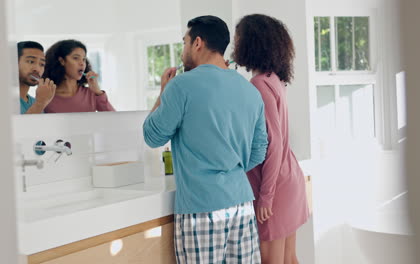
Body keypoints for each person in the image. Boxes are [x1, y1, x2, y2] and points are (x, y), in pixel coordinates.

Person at [143, 15, 268, 263]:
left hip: (201, 206)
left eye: (185, 43)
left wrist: (163, 95)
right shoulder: (249, 90)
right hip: (241, 203)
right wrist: (230, 169)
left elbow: (152, 136)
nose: (183, 51)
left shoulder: (181, 86)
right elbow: (259, 150)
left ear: (197, 42)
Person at [233, 14, 310, 264]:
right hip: (289, 180)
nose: (234, 43)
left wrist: (266, 196)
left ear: (251, 43)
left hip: (275, 188)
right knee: (289, 259)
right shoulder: (273, 79)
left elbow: (272, 144)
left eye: (238, 38)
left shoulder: (258, 84)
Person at [42, 39, 115, 113]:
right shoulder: (47, 97)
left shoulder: (92, 94)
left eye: (84, 59)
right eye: (76, 58)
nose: (82, 63)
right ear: (62, 61)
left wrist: (98, 92)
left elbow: (115, 119)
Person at [17, 41, 56, 114]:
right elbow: (19, 125)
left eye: (42, 64)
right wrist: (40, 103)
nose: (37, 69)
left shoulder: (35, 101)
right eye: (31, 61)